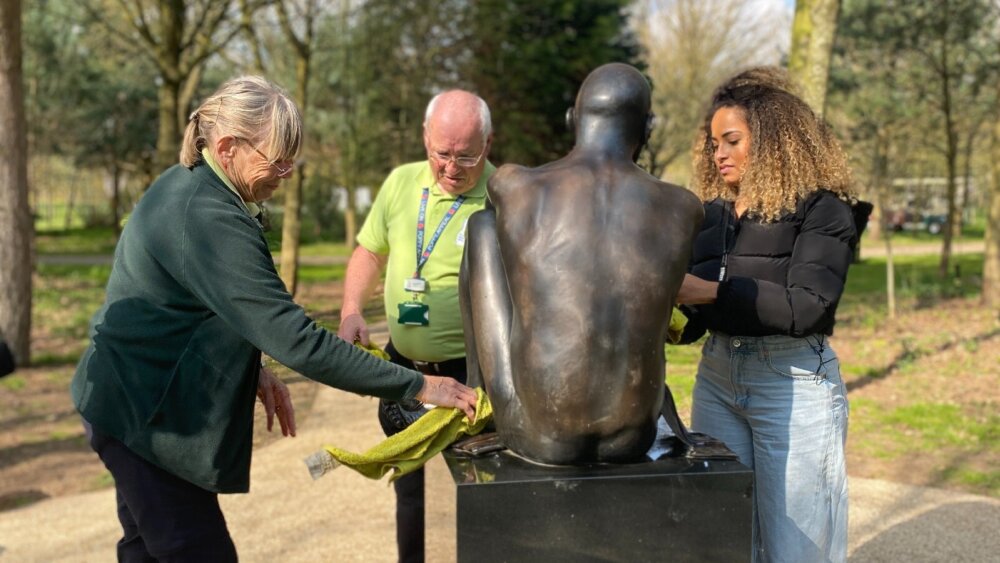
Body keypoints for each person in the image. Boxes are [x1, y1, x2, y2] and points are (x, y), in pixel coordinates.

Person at [70, 76, 477, 563]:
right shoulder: (208, 216)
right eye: (277, 159)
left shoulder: (192, 183)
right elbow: (298, 340)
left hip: (126, 404)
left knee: (144, 549)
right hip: (148, 420)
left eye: (292, 160)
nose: (286, 173)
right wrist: (418, 386)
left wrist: (253, 370)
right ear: (228, 148)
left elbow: (188, 302)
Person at [459, 62, 704, 465]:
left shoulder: (513, 185)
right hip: (634, 435)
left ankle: (477, 397)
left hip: (539, 434)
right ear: (649, 128)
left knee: (483, 226)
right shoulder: (682, 207)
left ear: (573, 119)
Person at [676, 66, 857, 562]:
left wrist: (707, 291)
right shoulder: (712, 215)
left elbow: (808, 307)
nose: (719, 154)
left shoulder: (825, 210)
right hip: (716, 379)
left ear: (774, 141)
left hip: (793, 382)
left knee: (796, 549)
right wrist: (666, 310)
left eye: (731, 140)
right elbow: (697, 315)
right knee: (726, 542)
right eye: (713, 143)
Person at [337, 89, 494, 563]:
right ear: (425, 138)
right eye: (441, 153)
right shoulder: (403, 182)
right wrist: (350, 309)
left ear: (488, 142)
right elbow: (369, 251)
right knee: (410, 494)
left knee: (474, 497)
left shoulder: (507, 193)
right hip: (404, 372)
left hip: (470, 378)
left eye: (465, 155)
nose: (451, 167)